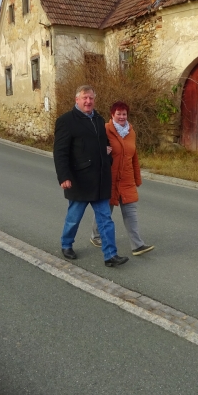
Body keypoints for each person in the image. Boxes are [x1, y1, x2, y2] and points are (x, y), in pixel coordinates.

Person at [53, 85, 128, 267]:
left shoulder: (99, 119)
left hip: (100, 179)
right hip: (79, 180)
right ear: (77, 100)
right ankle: (66, 244)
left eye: (91, 98)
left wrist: (107, 157)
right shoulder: (66, 121)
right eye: (84, 98)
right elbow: (60, 152)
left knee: (106, 220)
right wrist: (64, 176)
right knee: (74, 218)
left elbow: (104, 144)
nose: (88, 101)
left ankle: (110, 255)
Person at [90, 101, 154, 256]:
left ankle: (137, 245)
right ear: (112, 115)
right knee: (105, 211)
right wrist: (102, 150)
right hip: (109, 178)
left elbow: (134, 157)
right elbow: (92, 148)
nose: (121, 117)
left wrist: (137, 178)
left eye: (124, 114)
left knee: (131, 213)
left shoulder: (131, 132)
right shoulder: (105, 129)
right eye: (118, 114)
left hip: (126, 179)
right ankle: (96, 236)